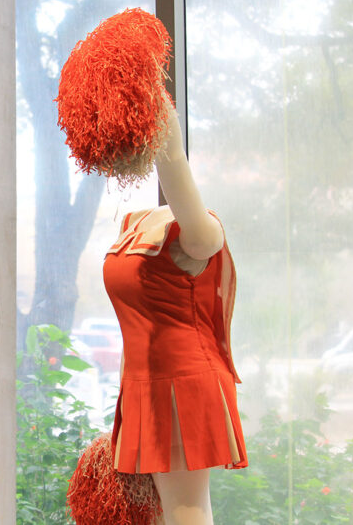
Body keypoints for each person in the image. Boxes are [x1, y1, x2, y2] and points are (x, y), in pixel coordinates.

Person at [102, 96, 247, 525]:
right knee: (167, 513)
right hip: (142, 382)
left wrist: (161, 121)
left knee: (185, 511)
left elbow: (176, 170)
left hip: (185, 382)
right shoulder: (131, 226)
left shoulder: (200, 233)